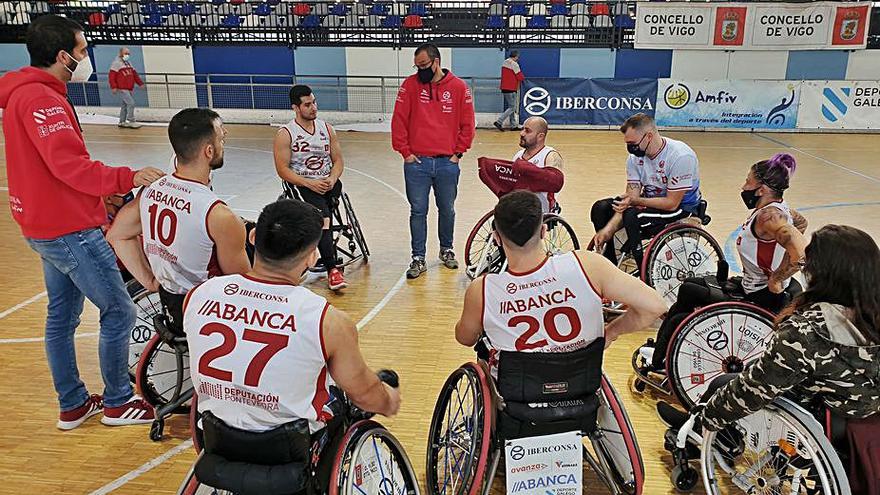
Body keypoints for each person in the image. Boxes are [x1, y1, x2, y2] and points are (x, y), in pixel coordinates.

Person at [0, 15, 165, 429]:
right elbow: (68, 165)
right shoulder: (42, 101)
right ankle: (117, 401)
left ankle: (73, 404)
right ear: (62, 56)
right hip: (68, 228)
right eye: (82, 49)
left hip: (43, 224)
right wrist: (125, 177)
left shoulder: (25, 93)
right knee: (119, 311)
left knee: (62, 315)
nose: (86, 57)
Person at [663, 225, 880, 491]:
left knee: (724, 385)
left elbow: (752, 391)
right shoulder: (872, 311)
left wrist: (709, 417)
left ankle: (701, 427)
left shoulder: (807, 332)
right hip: (863, 413)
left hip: (822, 419)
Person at [183, 198, 401, 435]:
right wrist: (389, 400)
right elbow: (365, 395)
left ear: (253, 237)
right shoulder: (327, 320)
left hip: (216, 437)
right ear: (311, 257)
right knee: (345, 397)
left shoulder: (199, 295)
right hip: (288, 447)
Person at [456, 191, 667, 377]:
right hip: (580, 386)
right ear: (543, 231)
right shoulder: (588, 265)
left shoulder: (482, 289)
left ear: (496, 238)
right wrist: (610, 332)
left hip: (517, 396)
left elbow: (465, 338)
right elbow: (655, 306)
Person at [642, 153, 808, 371]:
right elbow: (801, 224)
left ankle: (661, 359)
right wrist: (780, 267)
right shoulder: (781, 208)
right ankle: (664, 349)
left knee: (686, 299)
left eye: (748, 181)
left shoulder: (769, 217)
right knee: (691, 287)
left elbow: (801, 253)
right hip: (753, 285)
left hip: (761, 294)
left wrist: (777, 277)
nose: (743, 186)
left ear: (762, 189)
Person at [108, 108, 251, 333]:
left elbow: (117, 235)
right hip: (209, 311)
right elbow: (243, 286)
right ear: (209, 151)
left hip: (171, 300)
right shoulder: (219, 215)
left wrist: (150, 281)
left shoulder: (150, 191)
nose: (225, 140)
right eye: (222, 138)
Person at [392, 43, 476, 280]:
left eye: (424, 66)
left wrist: (458, 153)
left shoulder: (459, 87)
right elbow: (399, 121)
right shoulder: (409, 85)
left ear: (436, 62)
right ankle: (418, 257)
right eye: (417, 66)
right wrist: (406, 153)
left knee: (447, 209)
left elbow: (468, 124)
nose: (420, 71)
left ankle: (446, 249)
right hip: (417, 163)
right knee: (418, 211)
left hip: (447, 163)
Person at [590, 113, 702, 269]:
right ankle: (611, 265)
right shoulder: (634, 159)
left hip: (681, 208)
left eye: (633, 143)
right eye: (627, 143)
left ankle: (643, 267)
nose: (630, 148)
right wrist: (608, 230)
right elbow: (631, 198)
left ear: (649, 136)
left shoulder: (681, 156)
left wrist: (635, 201)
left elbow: (671, 203)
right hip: (651, 204)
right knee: (600, 207)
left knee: (632, 215)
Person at [273, 85, 347, 291]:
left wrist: (332, 178)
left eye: (314, 102)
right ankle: (333, 270)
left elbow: (338, 160)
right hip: (302, 184)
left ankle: (321, 243)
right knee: (323, 217)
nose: (313, 108)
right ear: (295, 108)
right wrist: (309, 183)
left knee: (326, 207)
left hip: (327, 182)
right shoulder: (286, 133)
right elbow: (282, 169)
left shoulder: (327, 129)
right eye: (307, 104)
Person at [511, 116, 563, 213]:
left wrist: (527, 168)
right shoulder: (518, 155)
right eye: (522, 129)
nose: (521, 133)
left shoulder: (550, 155)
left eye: (527, 131)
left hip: (541, 211)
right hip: (519, 208)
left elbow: (556, 182)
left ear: (540, 136)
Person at [108, 46, 144, 129]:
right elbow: (111, 76)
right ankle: (131, 120)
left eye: (128, 54)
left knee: (124, 105)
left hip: (129, 88)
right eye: (126, 53)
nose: (127, 55)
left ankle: (122, 121)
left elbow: (134, 75)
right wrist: (113, 86)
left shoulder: (128, 63)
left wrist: (140, 83)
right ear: (121, 54)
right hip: (122, 88)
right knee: (131, 103)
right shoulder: (116, 63)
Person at [493, 50, 525, 132]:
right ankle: (499, 121)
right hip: (511, 88)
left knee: (511, 106)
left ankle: (513, 125)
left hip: (504, 88)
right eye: (518, 57)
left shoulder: (505, 62)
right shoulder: (514, 64)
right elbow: (520, 76)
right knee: (512, 107)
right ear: (516, 56)